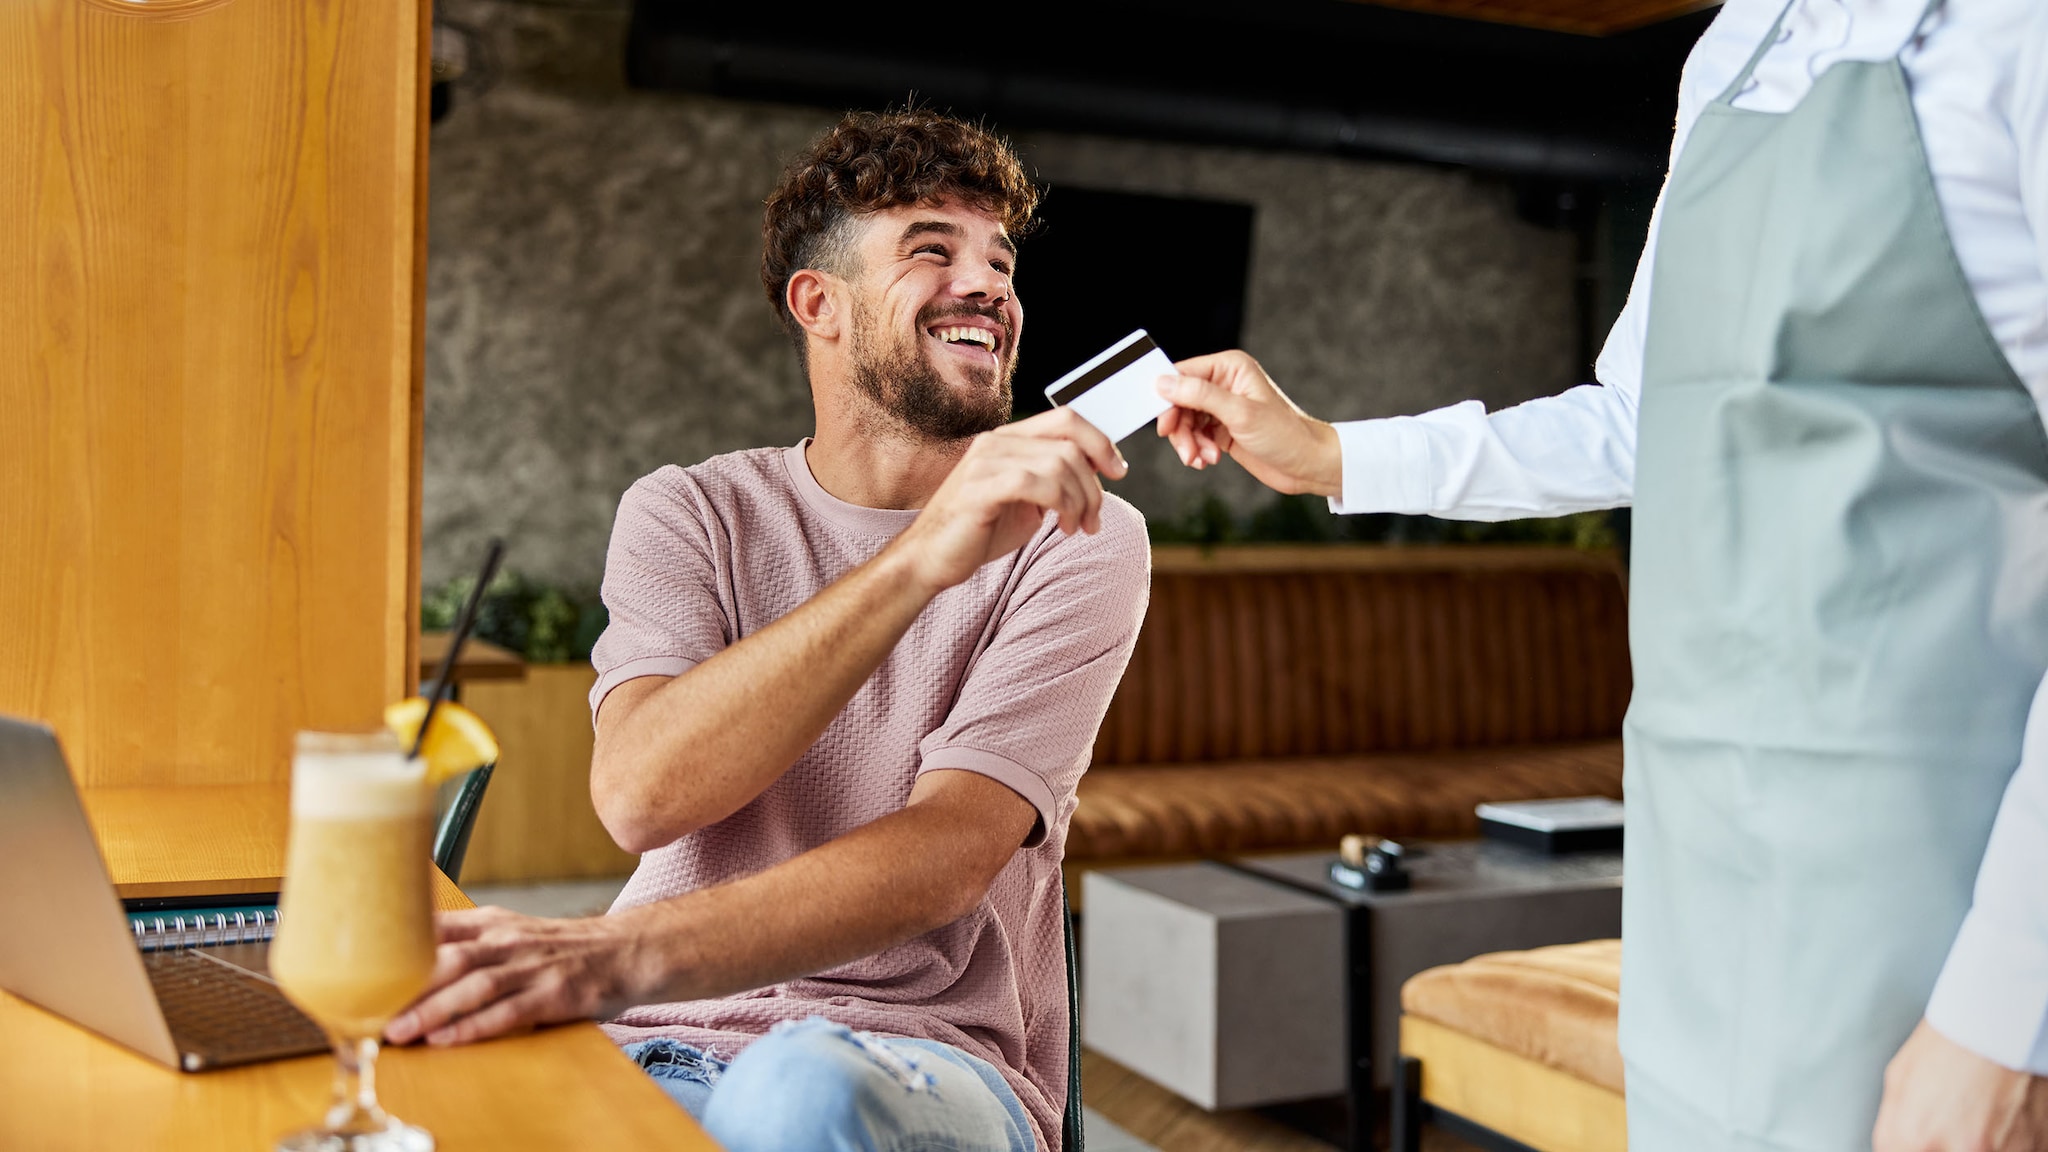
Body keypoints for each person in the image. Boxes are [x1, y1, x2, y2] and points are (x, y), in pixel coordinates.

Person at [1151, 1, 2048, 1149]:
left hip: (1940, 862)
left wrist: (2003, 1019)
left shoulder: (2015, 34)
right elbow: (1642, 414)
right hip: (1693, 832)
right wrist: (1333, 451)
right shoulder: (1732, 51)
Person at [384, 110, 1150, 1152]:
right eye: (933, 250)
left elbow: (948, 856)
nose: (989, 287)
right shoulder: (688, 512)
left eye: (1001, 262)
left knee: (793, 1093)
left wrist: (603, 956)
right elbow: (644, 794)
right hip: (653, 1038)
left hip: (918, 1061)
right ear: (816, 304)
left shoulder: (1077, 536)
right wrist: (923, 557)